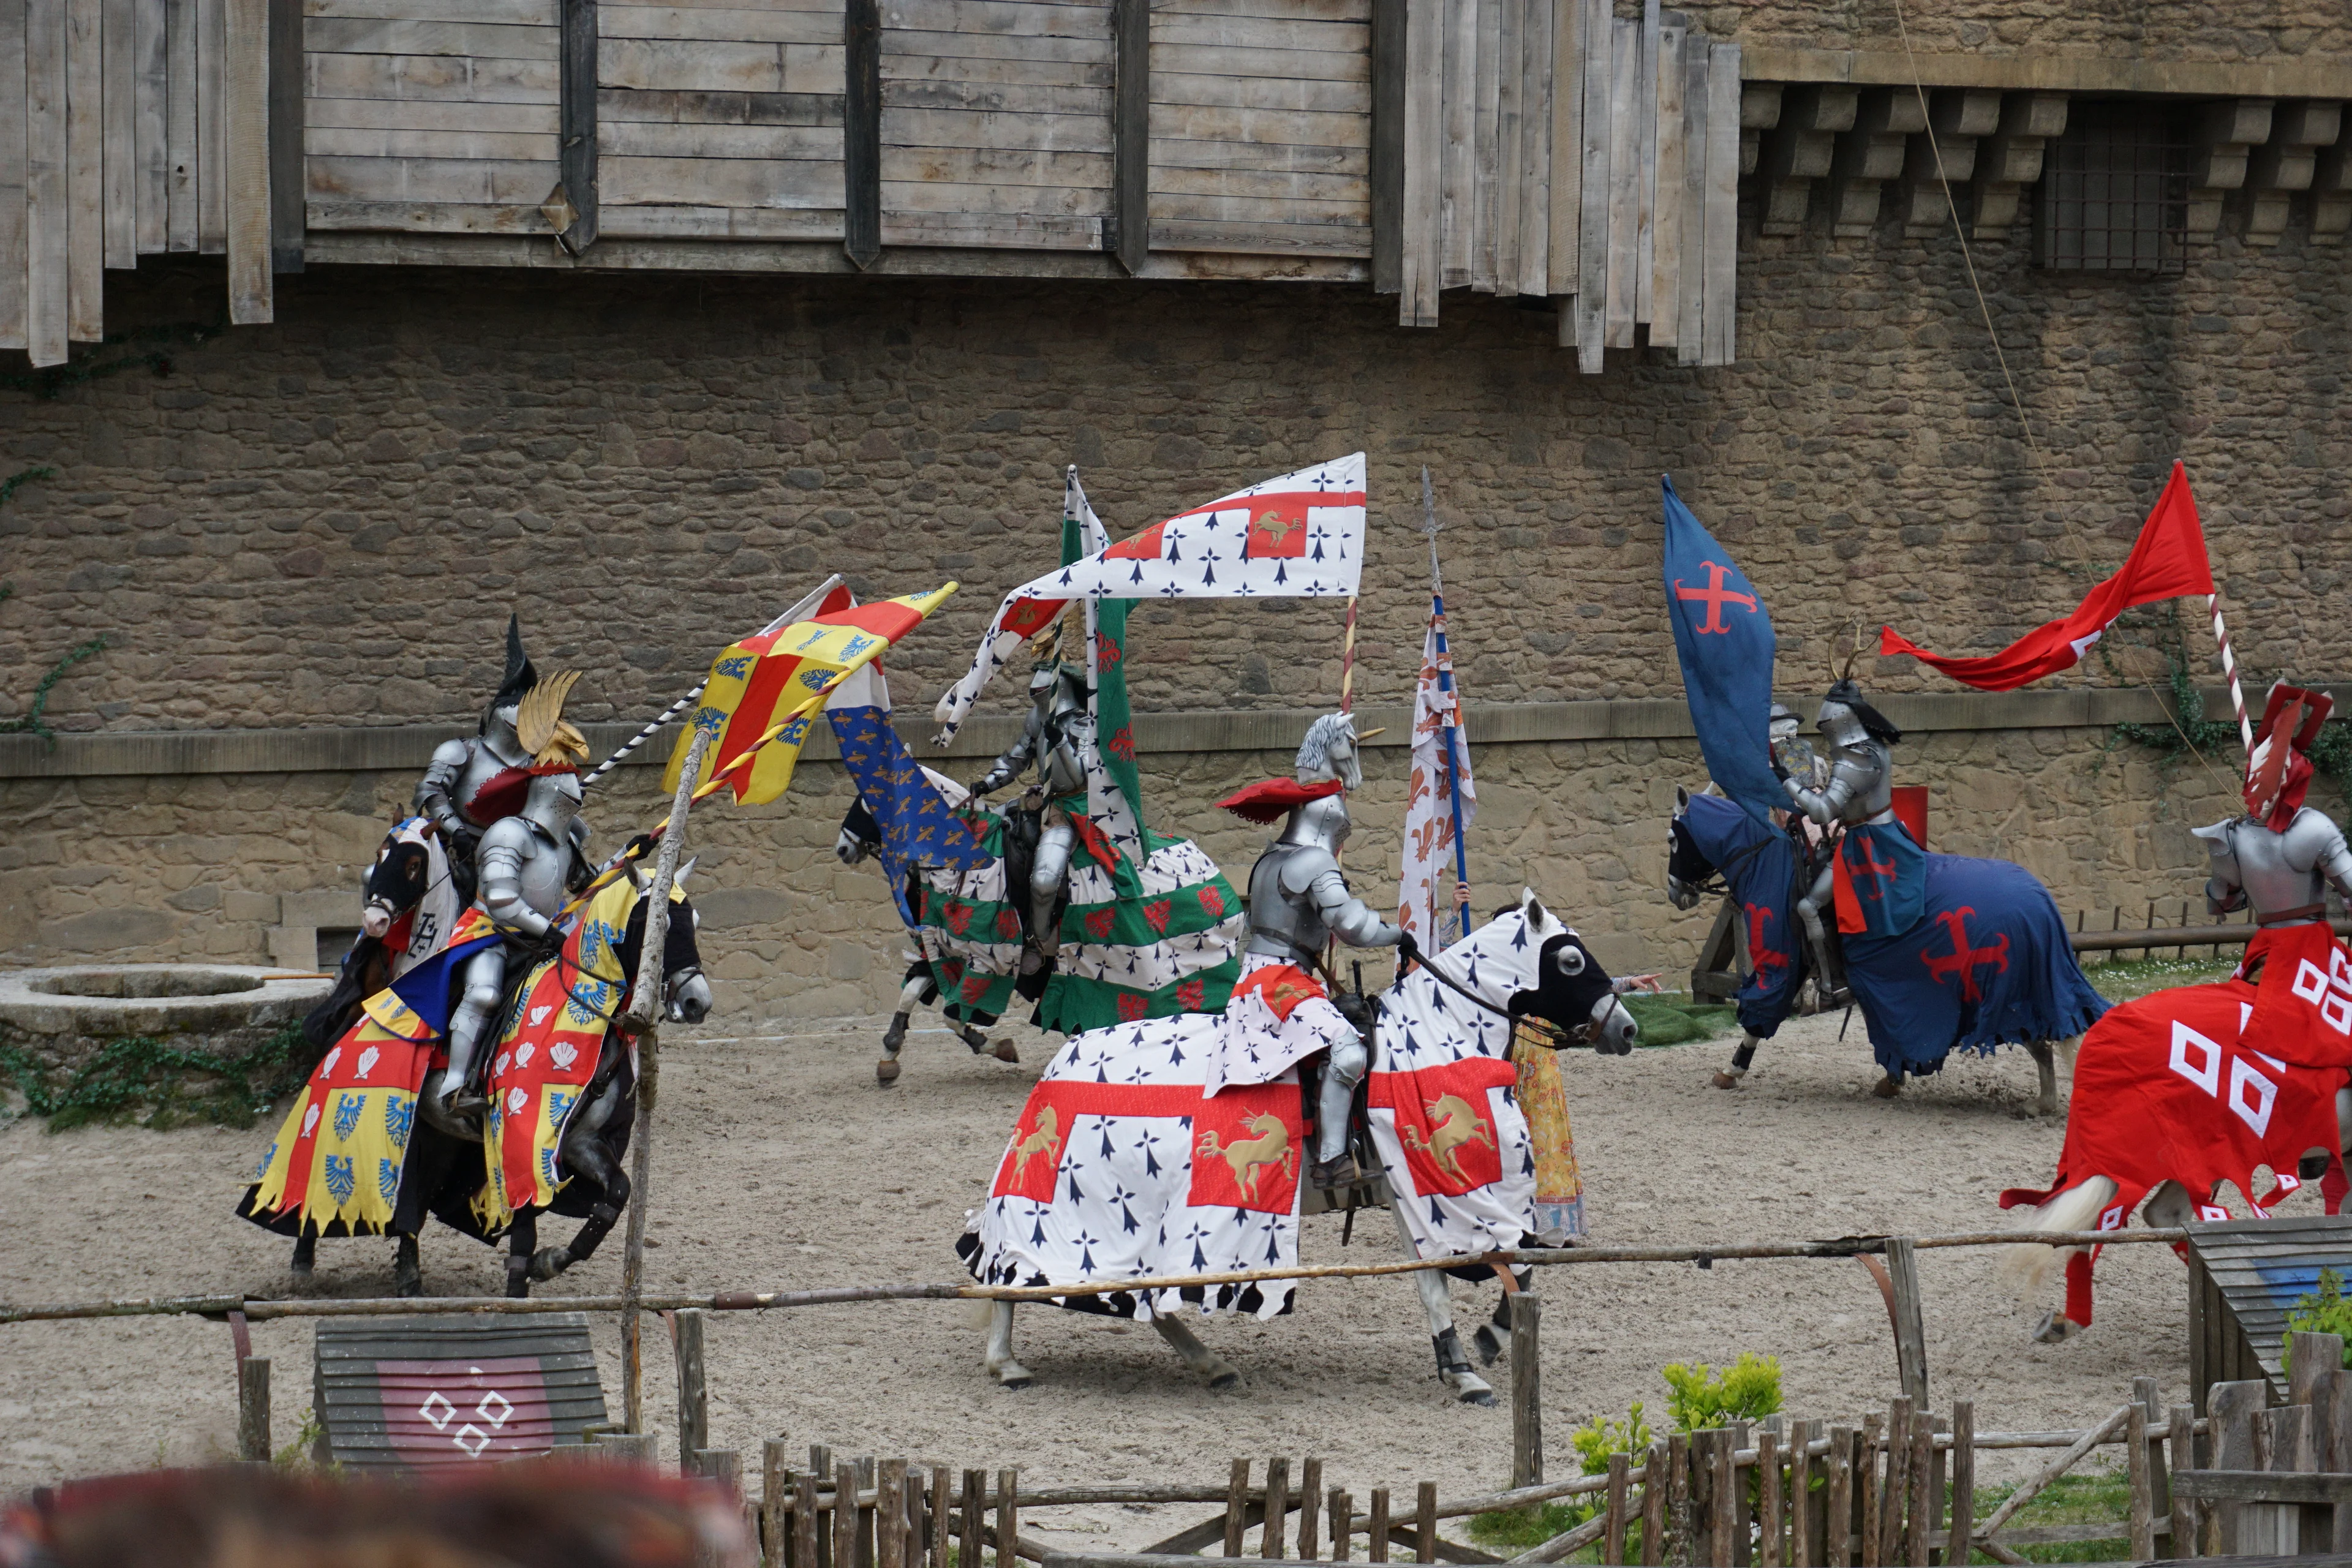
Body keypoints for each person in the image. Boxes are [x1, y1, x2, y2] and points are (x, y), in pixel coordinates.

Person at [1216, 712, 1416, 1189]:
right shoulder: (1311, 860)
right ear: (1328, 819)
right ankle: (1331, 1162)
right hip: (1277, 982)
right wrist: (1397, 934)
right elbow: (1350, 925)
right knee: (1348, 1051)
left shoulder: (1272, 856)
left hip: (1274, 974)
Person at [422, 671, 593, 1134]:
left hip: (542, 934)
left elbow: (586, 885)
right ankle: (455, 1085)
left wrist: (628, 859)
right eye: (568, 785)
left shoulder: (566, 840)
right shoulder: (507, 831)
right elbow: (501, 901)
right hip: (492, 932)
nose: (576, 795)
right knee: (484, 994)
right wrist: (550, 931)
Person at [966, 614, 1093, 971]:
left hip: (1073, 808)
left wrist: (1061, 743)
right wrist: (988, 784)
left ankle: (1039, 943)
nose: (1035, 695)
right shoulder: (1037, 719)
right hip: (1044, 800)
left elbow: (1082, 774)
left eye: (1042, 690)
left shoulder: (1084, 724)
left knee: (1045, 880)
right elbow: (1018, 758)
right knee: (986, 828)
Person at [1775, 676, 1905, 1006]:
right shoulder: (1875, 748)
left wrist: (1788, 783)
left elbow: (1822, 811)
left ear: (1836, 725)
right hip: (1878, 832)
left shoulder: (1853, 760)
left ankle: (1833, 985)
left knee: (1809, 906)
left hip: (1866, 842)